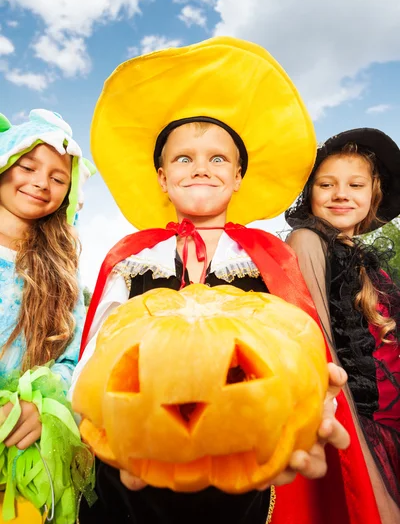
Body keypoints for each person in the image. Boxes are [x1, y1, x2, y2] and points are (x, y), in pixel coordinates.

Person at [73, 37, 369, 524]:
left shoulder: (268, 256)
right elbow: (100, 353)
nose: (201, 168)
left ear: (236, 178)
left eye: (218, 159)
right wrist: (95, 419)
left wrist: (308, 404)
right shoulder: (132, 258)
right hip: (135, 459)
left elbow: (293, 349)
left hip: (240, 462)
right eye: (183, 158)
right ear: (163, 178)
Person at [285, 128, 400, 524]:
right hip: (352, 422)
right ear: (309, 193)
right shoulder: (307, 241)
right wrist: (354, 449)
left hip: (390, 423)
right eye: (326, 184)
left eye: (355, 184)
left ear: (373, 195)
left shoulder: (369, 263)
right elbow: (316, 342)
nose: (341, 194)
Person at [0, 109, 95, 521]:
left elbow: (73, 360)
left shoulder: (64, 274)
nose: (41, 182)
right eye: (27, 166)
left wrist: (42, 409)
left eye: (59, 179)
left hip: (24, 455)